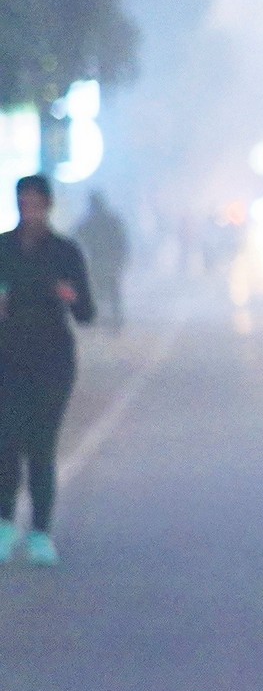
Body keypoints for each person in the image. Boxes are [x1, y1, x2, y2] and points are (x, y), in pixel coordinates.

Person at [0, 173, 98, 565]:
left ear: (48, 205)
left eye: (36, 203)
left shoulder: (64, 252)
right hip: (7, 359)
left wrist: (70, 296)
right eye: (24, 203)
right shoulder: (3, 248)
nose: (30, 210)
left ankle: (41, 531)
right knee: (6, 444)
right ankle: (5, 525)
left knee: (40, 446)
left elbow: (87, 313)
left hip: (52, 362)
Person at [76, 191, 128, 328]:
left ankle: (103, 319)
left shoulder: (90, 222)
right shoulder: (112, 220)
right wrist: (120, 260)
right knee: (110, 291)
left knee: (99, 290)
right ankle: (114, 320)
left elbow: (77, 234)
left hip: (99, 261)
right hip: (108, 262)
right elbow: (122, 242)